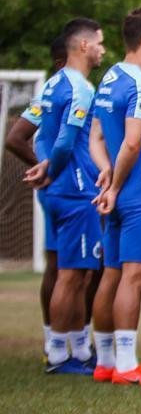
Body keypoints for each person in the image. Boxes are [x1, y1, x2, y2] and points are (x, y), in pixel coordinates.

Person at [90, 7, 141, 386]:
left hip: (117, 190)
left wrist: (105, 174)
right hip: (139, 191)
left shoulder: (108, 78)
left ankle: (105, 362)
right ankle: (126, 366)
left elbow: (96, 138)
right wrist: (117, 185)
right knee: (134, 277)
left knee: (111, 274)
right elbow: (133, 141)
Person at [23, 19, 106, 374]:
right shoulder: (80, 88)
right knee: (72, 276)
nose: (103, 49)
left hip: (58, 192)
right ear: (83, 46)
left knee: (74, 274)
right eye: (100, 43)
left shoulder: (54, 83)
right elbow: (65, 141)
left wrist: (46, 170)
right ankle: (59, 354)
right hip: (74, 189)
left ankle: (75, 349)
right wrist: (50, 168)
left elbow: (32, 134)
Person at [7, 34, 68, 361]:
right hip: (67, 189)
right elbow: (15, 139)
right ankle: (70, 344)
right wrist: (45, 167)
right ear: (62, 61)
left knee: (58, 265)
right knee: (74, 268)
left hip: (53, 190)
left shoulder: (47, 96)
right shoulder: (62, 93)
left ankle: (54, 341)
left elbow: (16, 138)